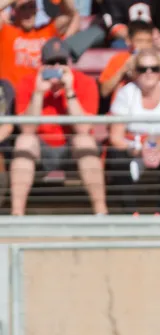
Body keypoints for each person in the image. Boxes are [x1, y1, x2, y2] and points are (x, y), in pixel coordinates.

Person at [11, 37, 107, 216]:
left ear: (69, 63)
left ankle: (101, 214)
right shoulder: (28, 82)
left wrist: (69, 91)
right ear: (42, 64)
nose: (56, 68)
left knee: (85, 141)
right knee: (24, 141)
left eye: (61, 62)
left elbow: (84, 129)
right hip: (40, 147)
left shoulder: (84, 82)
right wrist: (39, 93)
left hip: (72, 148)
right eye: (51, 63)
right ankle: (17, 215)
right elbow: (26, 129)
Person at [108, 48, 160, 213]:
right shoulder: (126, 92)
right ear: (134, 71)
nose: (148, 73)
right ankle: (131, 213)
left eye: (154, 68)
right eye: (142, 69)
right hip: (134, 148)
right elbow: (116, 137)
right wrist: (138, 150)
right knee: (116, 157)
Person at [0, 0, 78, 88]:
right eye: (23, 8)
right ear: (14, 11)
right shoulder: (5, 31)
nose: (28, 13)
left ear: (37, 10)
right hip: (11, 97)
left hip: (41, 95)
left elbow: (69, 13)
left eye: (32, 7)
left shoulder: (47, 31)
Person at [98, 20, 160, 101]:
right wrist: (123, 70)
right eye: (139, 41)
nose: (144, 46)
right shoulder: (119, 59)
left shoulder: (155, 62)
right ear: (129, 41)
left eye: (148, 41)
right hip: (121, 109)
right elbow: (104, 92)